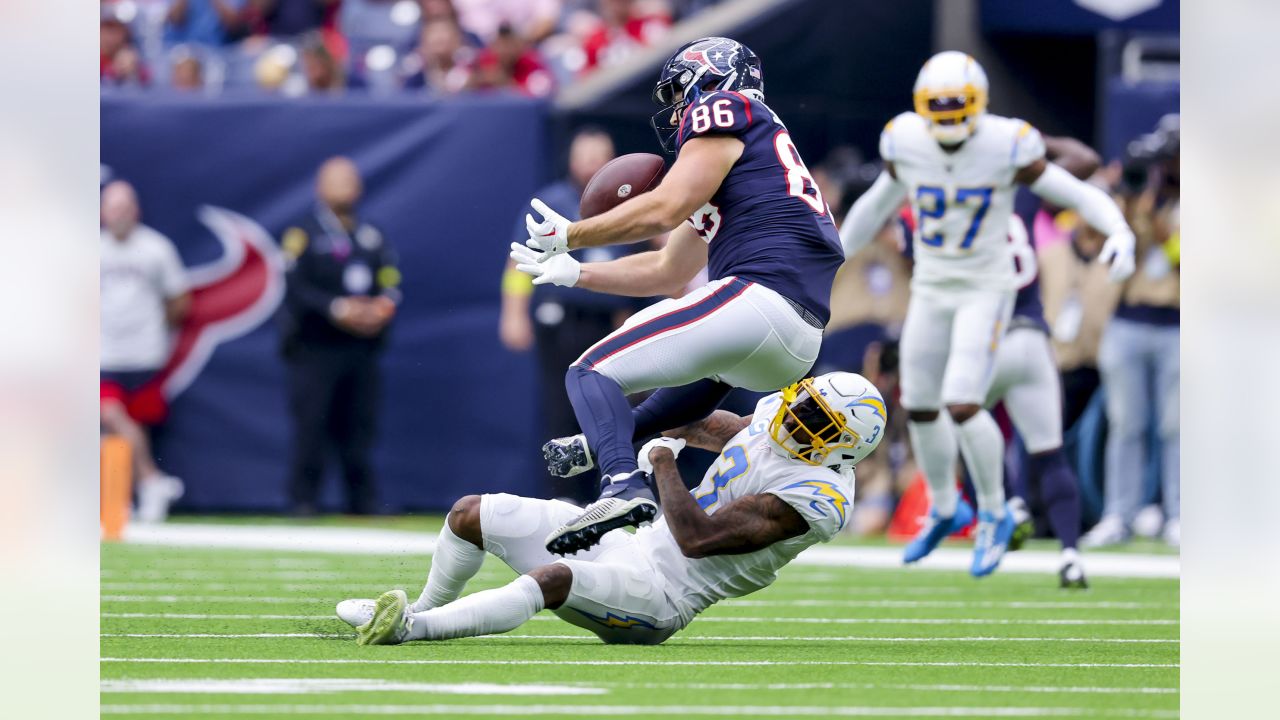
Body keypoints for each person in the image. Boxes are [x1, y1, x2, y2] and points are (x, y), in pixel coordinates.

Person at [509, 37, 844, 554]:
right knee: (686, 394)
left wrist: (574, 233)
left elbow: (664, 208)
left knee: (589, 371)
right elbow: (669, 269)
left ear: (710, 79)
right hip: (795, 340)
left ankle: (621, 483)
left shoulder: (726, 109)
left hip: (760, 297)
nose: (675, 109)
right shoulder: (750, 165)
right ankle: (597, 448)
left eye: (677, 92)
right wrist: (578, 273)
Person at [839, 52, 1136, 577]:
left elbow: (1073, 190)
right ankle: (947, 506)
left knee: (961, 399)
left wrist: (1119, 229)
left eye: (958, 105)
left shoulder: (1005, 141)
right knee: (922, 403)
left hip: (985, 287)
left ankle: (997, 512)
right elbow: (878, 204)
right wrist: (837, 252)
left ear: (978, 104)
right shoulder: (906, 139)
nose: (949, 116)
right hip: (932, 285)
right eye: (940, 106)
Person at [335, 372, 886, 646]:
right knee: (470, 514)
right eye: (799, 406)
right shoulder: (780, 417)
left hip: (664, 595)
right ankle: (422, 605)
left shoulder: (818, 499)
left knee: (554, 578)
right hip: (632, 536)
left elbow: (697, 537)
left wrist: (662, 462)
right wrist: (614, 436)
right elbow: (733, 430)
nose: (792, 422)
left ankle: (412, 629)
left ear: (843, 448)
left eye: (814, 424)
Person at [498, 127, 646, 502]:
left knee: (616, 407)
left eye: (601, 155)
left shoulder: (630, 205)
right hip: (561, 318)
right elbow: (518, 261)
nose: (594, 163)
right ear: (571, 159)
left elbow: (642, 262)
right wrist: (513, 314)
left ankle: (614, 490)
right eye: (587, 154)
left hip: (609, 320)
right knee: (561, 407)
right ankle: (562, 495)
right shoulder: (552, 201)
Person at [279, 157, 401, 516]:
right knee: (312, 423)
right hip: (316, 346)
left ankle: (362, 501)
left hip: (361, 347)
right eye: (336, 181)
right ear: (320, 187)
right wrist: (336, 308)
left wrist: (382, 306)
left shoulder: (371, 233)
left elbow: (391, 278)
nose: (345, 187)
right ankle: (304, 499)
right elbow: (294, 287)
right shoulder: (302, 234)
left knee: (360, 425)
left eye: (350, 180)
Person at [1084, 119, 1181, 549]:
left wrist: (1160, 224)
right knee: (1126, 423)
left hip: (1178, 322)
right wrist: (1126, 198)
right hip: (1128, 318)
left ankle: (1179, 514)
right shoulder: (1138, 199)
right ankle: (1118, 514)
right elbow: (1101, 240)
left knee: (1177, 425)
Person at [100, 181, 191, 523]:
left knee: (132, 428)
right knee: (110, 415)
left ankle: (120, 500)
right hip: (103, 353)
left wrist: (153, 330)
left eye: (124, 207)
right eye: (112, 207)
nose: (118, 214)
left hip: (145, 353)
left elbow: (179, 299)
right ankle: (152, 480)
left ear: (136, 211)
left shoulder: (156, 248)